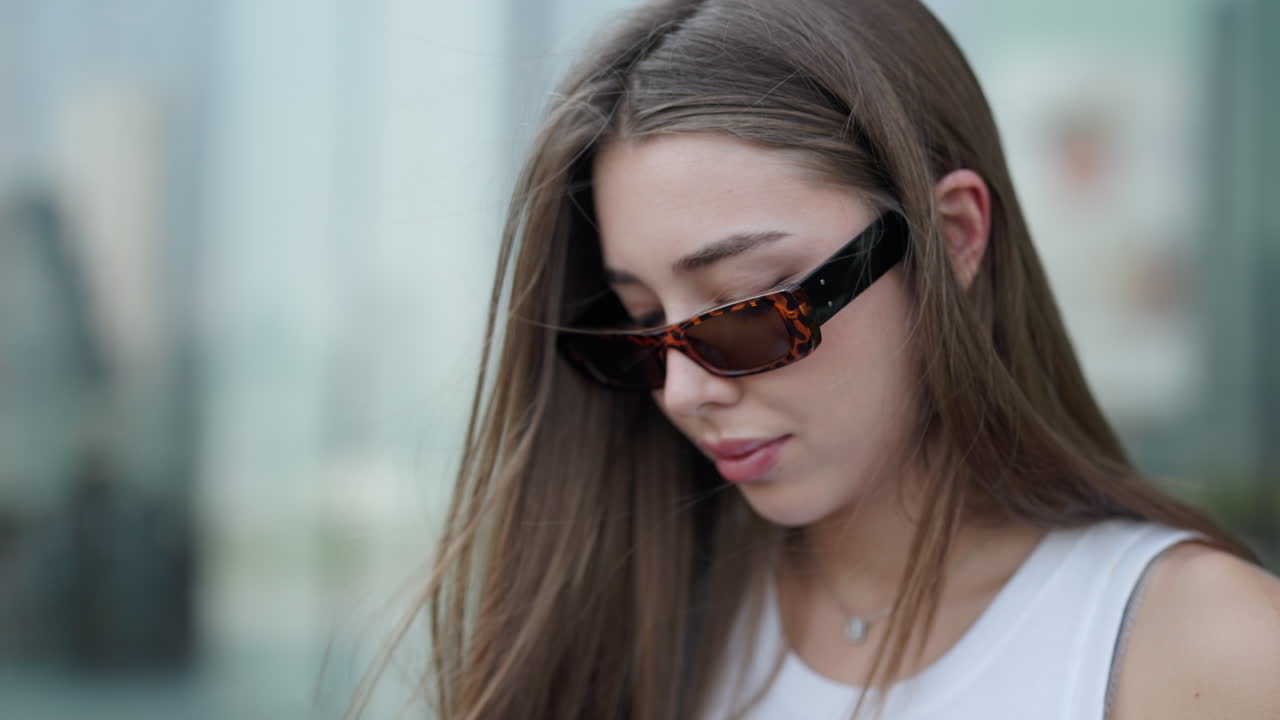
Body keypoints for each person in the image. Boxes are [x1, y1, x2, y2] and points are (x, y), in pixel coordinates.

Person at [351, 1, 1280, 718]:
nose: (683, 391)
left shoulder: (1204, 649)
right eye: (639, 327)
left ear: (953, 237)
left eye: (746, 310)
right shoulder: (637, 615)